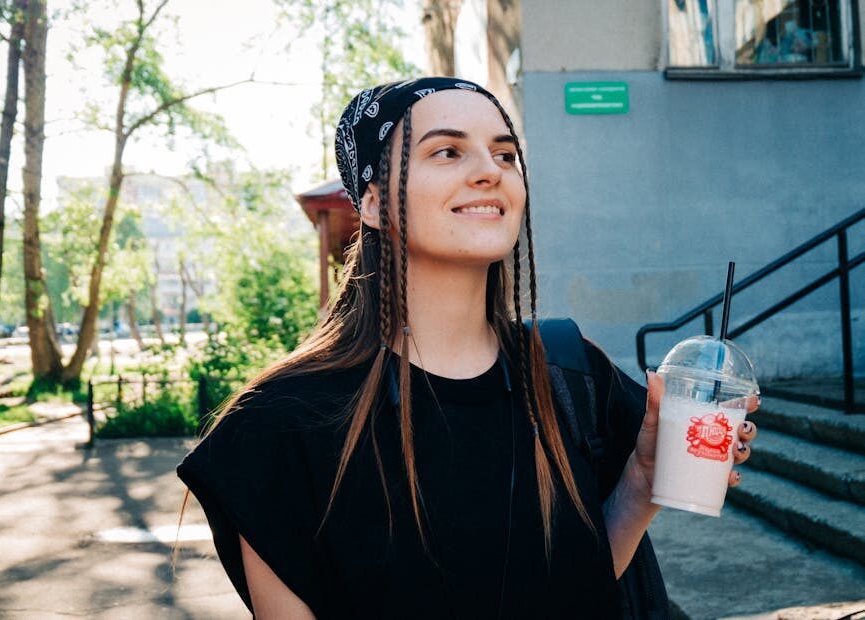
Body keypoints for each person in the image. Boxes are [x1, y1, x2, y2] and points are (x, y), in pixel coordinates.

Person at [176, 77, 759, 619]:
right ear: (376, 204)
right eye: (448, 151)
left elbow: (581, 589)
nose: (491, 171)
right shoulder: (280, 425)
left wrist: (640, 479)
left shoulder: (570, 371)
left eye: (505, 154)